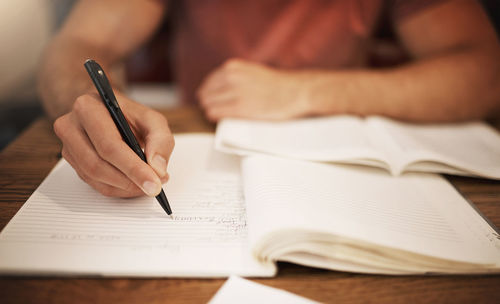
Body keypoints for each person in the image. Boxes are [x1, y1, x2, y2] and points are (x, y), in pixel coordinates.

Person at [37, 0, 500, 199]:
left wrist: (305, 90)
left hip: (349, 154)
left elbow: (485, 74)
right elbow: (75, 44)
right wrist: (89, 102)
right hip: (209, 142)